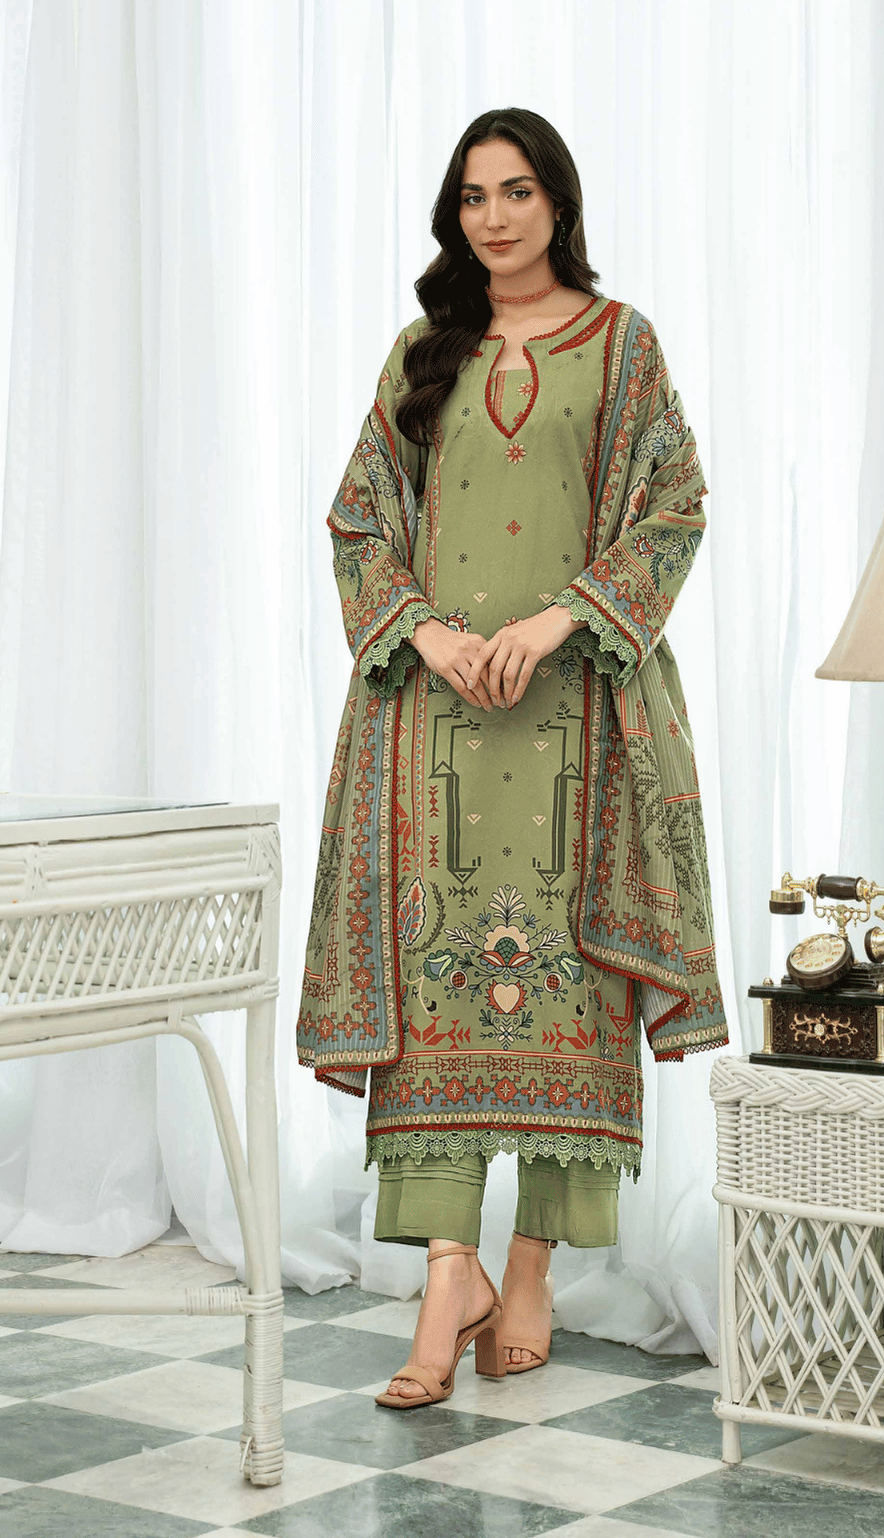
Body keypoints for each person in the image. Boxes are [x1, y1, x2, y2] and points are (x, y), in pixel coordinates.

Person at [297, 108, 727, 1408]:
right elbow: (357, 514)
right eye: (473, 195)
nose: (493, 216)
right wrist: (422, 633)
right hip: (433, 736)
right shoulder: (422, 355)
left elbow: (674, 503)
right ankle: (447, 1271)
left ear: (558, 203)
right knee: (435, 1005)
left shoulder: (621, 346)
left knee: (568, 993)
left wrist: (555, 619)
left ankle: (527, 1268)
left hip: (572, 728)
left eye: (517, 191)